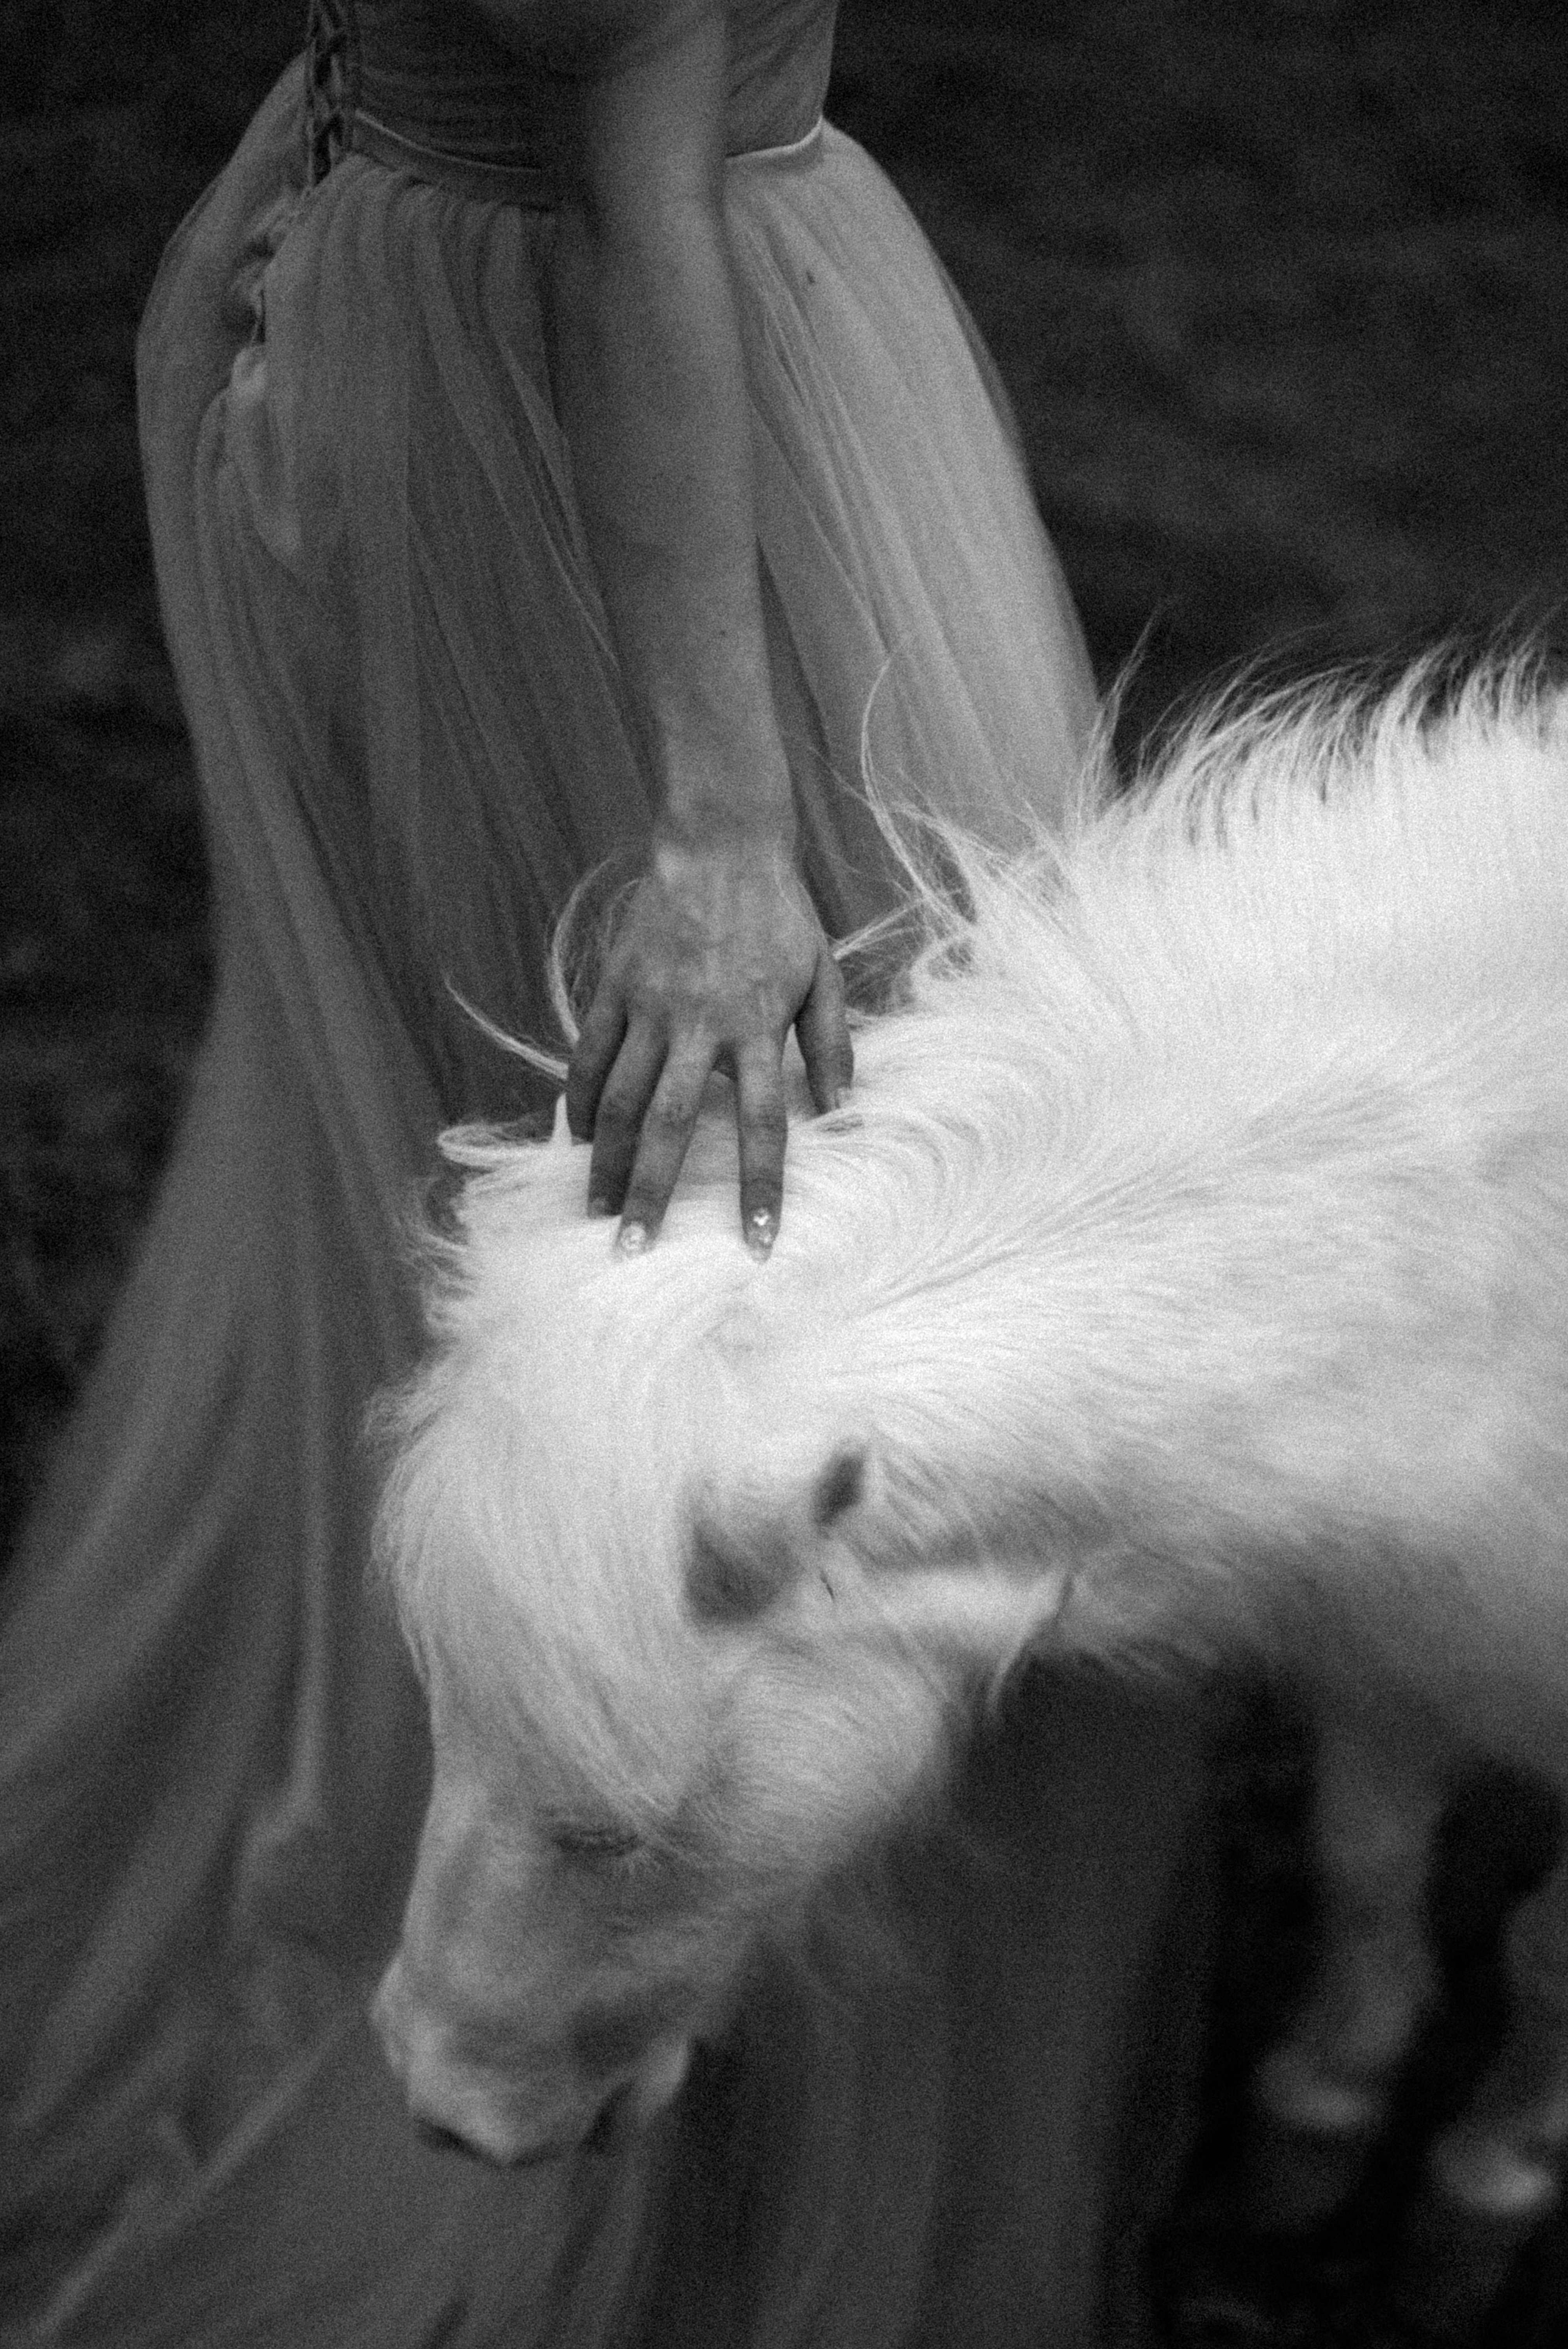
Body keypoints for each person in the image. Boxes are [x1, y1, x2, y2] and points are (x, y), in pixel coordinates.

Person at [0, 3, 1214, 2342]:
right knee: (648, 1260)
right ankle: (566, 1989)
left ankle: (681, 1934)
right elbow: (627, 200)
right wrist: (719, 830)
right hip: (556, 440)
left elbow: (633, 148)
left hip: (522, 348)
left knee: (758, 1229)